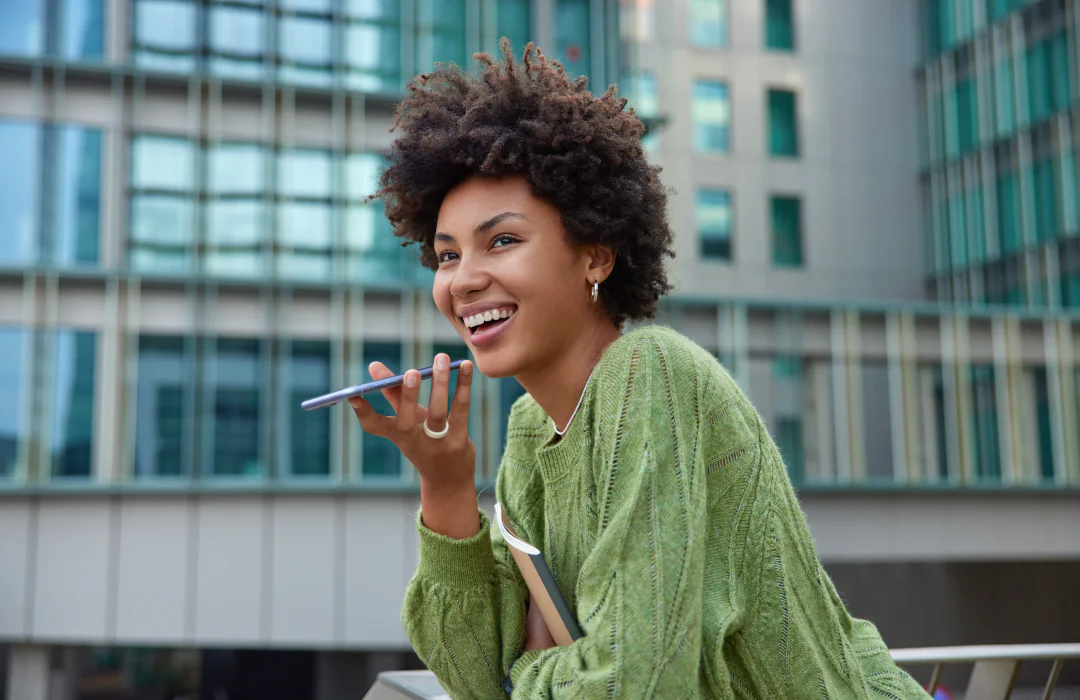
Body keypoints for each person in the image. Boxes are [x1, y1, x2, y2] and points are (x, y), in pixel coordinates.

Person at [348, 40, 930, 699]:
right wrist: (446, 488)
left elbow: (636, 684)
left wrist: (527, 674)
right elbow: (477, 679)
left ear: (595, 257)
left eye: (502, 240)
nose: (464, 281)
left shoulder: (649, 375)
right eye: (447, 256)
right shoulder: (531, 431)